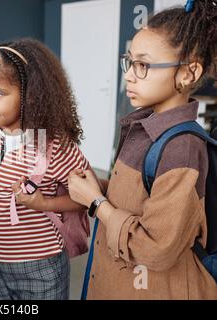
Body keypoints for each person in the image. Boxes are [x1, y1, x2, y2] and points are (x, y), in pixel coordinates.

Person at [67, 0, 217, 299]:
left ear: (188, 73)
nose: (129, 75)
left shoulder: (182, 149)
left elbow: (156, 248)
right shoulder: (143, 126)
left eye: (143, 65)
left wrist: (97, 203)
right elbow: (144, 196)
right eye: (130, 62)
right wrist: (104, 188)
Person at [0, 38, 90, 300]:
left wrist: (44, 203)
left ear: (31, 96)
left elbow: (90, 195)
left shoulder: (55, 147)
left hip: (38, 264)